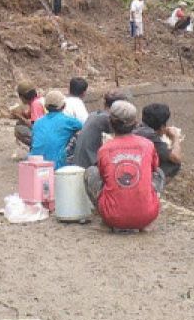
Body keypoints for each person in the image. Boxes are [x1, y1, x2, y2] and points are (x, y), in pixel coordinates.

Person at [87, 101, 162, 232]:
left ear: (110, 123)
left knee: (91, 171)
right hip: (147, 216)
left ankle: (105, 220)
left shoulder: (104, 149)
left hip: (112, 217)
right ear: (135, 123)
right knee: (159, 173)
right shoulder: (148, 145)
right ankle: (144, 211)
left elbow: (104, 177)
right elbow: (154, 169)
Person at [70, 90, 132, 169]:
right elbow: (117, 143)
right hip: (90, 165)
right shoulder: (107, 119)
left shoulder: (93, 115)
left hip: (80, 163)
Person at [28, 90, 82, 168]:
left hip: (34, 165)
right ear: (64, 106)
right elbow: (82, 126)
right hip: (56, 166)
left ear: (45, 107)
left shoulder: (38, 122)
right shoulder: (68, 121)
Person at [133, 103, 183, 180]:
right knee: (174, 164)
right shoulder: (151, 137)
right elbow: (176, 158)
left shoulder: (136, 128)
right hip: (137, 173)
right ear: (162, 126)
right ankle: (154, 186)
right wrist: (175, 138)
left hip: (128, 166)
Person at [3, 81, 45, 147]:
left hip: (46, 135)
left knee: (19, 129)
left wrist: (20, 117)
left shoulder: (35, 105)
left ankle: (40, 148)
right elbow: (29, 115)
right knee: (20, 123)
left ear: (21, 97)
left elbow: (35, 126)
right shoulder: (39, 100)